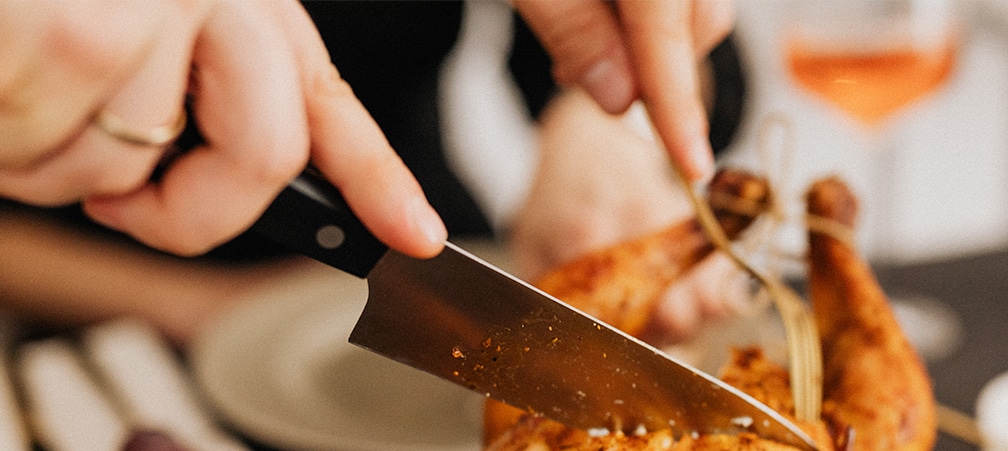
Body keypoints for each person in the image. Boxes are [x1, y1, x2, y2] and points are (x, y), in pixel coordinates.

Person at [0, 0, 734, 262]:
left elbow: (704, 53)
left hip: (436, 255)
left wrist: (603, 131)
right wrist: (192, 313)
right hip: (95, 329)